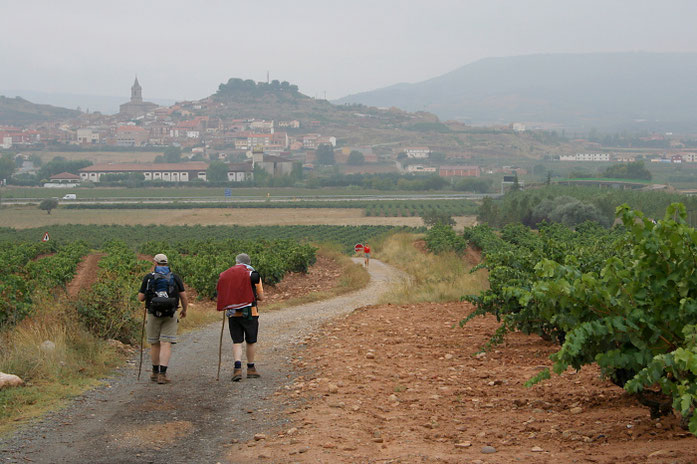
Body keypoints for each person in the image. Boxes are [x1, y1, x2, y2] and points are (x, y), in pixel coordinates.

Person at [137, 253, 188, 384]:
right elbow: (183, 296)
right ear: (166, 263)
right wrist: (184, 310)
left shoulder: (149, 278)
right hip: (170, 314)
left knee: (154, 343)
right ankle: (162, 374)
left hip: (153, 313)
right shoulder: (174, 277)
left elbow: (141, 298)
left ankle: (154, 372)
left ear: (155, 263)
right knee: (166, 343)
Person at [216, 253, 264, 382]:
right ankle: (251, 368)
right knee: (251, 340)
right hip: (251, 313)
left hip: (233, 314)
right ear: (248, 262)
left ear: (236, 262)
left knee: (237, 341)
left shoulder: (228, 275)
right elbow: (261, 296)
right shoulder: (252, 274)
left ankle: (237, 368)